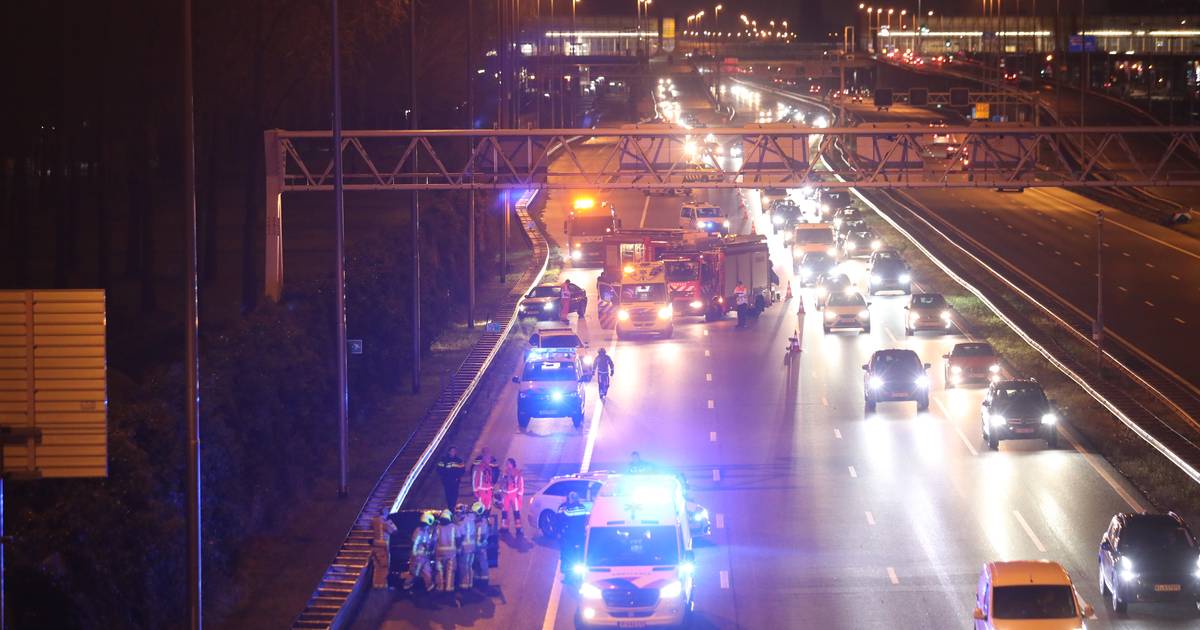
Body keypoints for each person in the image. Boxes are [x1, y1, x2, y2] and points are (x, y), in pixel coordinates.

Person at [402, 511, 436, 592]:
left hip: (424, 556)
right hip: (417, 557)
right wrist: (414, 556)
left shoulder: (425, 531)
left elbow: (427, 542)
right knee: (414, 573)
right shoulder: (418, 531)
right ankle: (406, 587)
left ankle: (430, 588)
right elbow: (414, 543)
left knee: (427, 572)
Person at [557, 491, 590, 574]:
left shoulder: (567, 509)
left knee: (566, 551)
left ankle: (564, 568)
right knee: (582, 550)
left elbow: (561, 520)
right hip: (580, 533)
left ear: (570, 499)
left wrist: (560, 531)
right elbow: (585, 519)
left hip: (570, 534)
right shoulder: (583, 507)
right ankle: (582, 564)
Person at [432, 509, 459, 592]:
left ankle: (440, 587)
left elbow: (433, 540)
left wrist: (432, 551)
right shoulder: (454, 527)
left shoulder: (437, 527)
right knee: (450, 571)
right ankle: (449, 588)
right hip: (451, 554)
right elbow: (458, 539)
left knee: (439, 571)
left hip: (439, 553)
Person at [370, 510, 398, 589]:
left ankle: (376, 583)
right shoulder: (384, 522)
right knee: (384, 566)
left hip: (376, 545)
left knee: (378, 566)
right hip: (384, 546)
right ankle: (382, 584)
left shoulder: (375, 521)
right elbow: (393, 530)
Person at [498, 458, 525, 536]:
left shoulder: (517, 472)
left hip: (514, 495)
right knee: (504, 512)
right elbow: (502, 483)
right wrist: (501, 492)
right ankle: (504, 528)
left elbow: (520, 484)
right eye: (506, 463)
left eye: (508, 463)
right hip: (506, 494)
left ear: (512, 464)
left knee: (516, 512)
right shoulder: (504, 472)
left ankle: (519, 529)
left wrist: (519, 495)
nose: (507, 465)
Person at [454, 504, 478, 590]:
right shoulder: (470, 519)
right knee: (469, 566)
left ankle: (464, 586)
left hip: (465, 548)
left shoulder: (460, 523)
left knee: (463, 567)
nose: (457, 515)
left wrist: (458, 549)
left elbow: (459, 538)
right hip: (472, 547)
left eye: (457, 513)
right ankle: (470, 584)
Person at [471, 502, 492, 586]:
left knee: (482, 563)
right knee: (476, 563)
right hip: (476, 546)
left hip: (481, 546)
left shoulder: (483, 521)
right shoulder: (478, 520)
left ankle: (484, 581)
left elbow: (484, 534)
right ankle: (477, 579)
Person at [471, 447, 496, 512]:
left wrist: (491, 488)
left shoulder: (489, 468)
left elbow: (490, 479)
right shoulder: (478, 467)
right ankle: (481, 521)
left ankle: (487, 520)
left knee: (488, 506)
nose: (489, 460)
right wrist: (475, 491)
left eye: (489, 458)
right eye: (488, 458)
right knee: (481, 507)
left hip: (488, 490)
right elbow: (474, 479)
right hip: (481, 490)